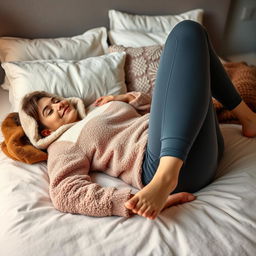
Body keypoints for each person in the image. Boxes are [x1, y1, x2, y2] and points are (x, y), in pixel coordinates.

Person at [19, 20, 256, 220]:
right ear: (45, 133)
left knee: (195, 35)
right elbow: (65, 193)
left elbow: (169, 103)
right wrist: (127, 201)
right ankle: (166, 177)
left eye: (53, 100)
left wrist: (124, 98)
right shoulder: (63, 144)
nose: (57, 105)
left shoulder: (98, 106)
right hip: (166, 165)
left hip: (202, 143)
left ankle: (248, 119)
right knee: (185, 33)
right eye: (48, 111)